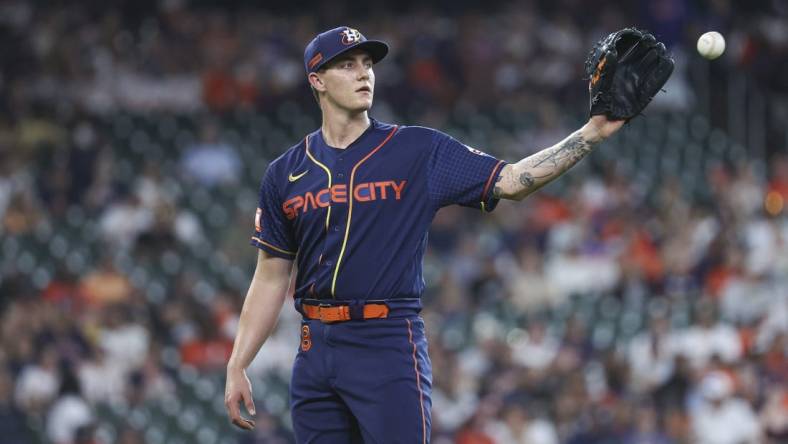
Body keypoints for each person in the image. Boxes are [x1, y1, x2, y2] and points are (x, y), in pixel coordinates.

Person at [225, 26, 625, 443]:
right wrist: (238, 363)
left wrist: (591, 132)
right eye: (347, 65)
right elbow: (271, 274)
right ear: (317, 81)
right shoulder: (285, 172)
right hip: (314, 348)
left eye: (367, 64)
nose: (364, 74)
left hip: (386, 341)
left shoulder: (416, 150)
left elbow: (512, 181)